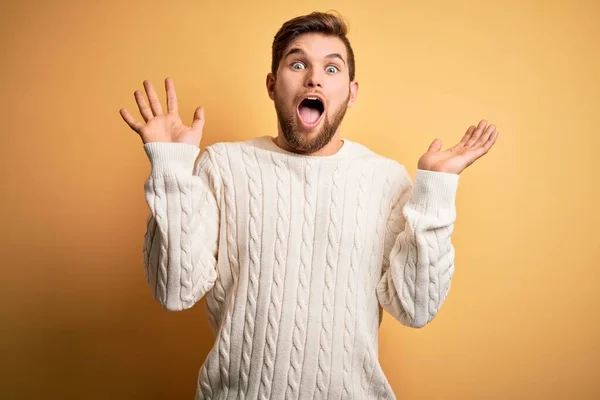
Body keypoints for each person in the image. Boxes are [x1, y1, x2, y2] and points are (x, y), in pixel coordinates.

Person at [119, 11, 498, 400]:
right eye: (297, 64)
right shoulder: (223, 166)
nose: (313, 78)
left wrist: (435, 190)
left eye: (331, 69)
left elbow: (416, 308)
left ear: (351, 92)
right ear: (271, 84)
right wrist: (172, 168)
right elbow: (175, 291)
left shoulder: (384, 179)